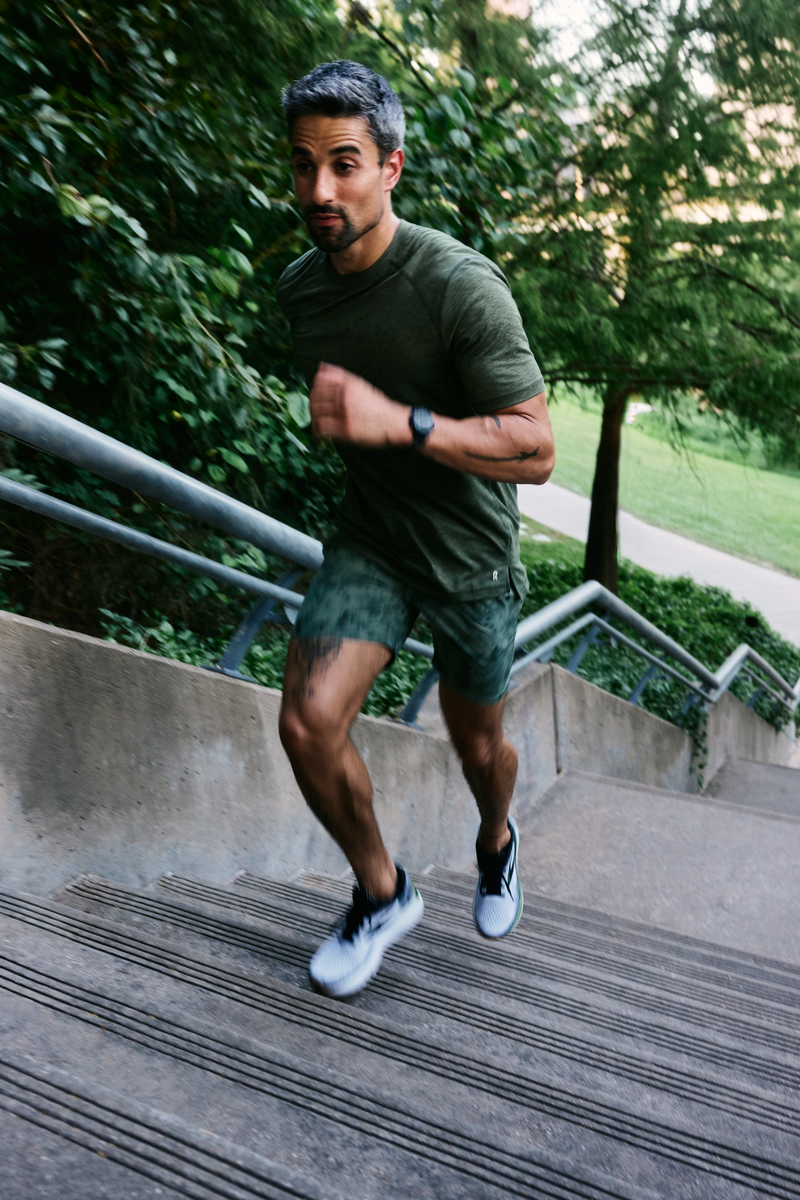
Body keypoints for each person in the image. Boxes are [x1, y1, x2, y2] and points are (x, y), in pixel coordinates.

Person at [276, 60, 555, 998]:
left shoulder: (458, 286)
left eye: (344, 163)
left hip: (471, 561)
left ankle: (496, 839)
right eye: (304, 164)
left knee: (477, 748)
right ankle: (382, 892)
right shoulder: (301, 292)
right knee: (308, 722)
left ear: (390, 167)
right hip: (373, 544)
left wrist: (401, 422)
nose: (321, 189)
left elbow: (536, 447)